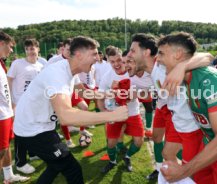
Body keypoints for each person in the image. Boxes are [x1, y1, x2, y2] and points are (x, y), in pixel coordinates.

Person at [13, 36, 128, 184]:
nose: (97, 57)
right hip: (32, 130)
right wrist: (112, 115)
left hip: (41, 126)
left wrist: (108, 93)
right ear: (79, 55)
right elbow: (66, 116)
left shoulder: (70, 70)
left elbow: (84, 92)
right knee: (72, 169)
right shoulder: (57, 74)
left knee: (55, 166)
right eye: (93, 54)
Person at [158, 32, 217, 184]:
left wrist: (182, 171)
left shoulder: (209, 81)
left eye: (162, 53)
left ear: (178, 54)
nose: (158, 58)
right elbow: (206, 57)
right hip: (210, 142)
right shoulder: (186, 77)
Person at [126, 33, 213, 180]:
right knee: (167, 154)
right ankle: (169, 176)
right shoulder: (154, 72)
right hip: (178, 121)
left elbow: (208, 56)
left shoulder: (164, 66)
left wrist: (182, 67)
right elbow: (161, 93)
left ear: (146, 52)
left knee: (193, 172)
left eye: (132, 51)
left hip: (191, 128)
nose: (128, 55)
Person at [97, 46, 144, 173]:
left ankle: (127, 157)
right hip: (114, 114)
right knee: (111, 143)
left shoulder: (133, 73)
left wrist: (132, 95)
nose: (116, 64)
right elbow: (99, 98)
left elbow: (144, 91)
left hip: (133, 112)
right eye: (112, 62)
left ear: (123, 59)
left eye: (119, 60)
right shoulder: (107, 77)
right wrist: (104, 112)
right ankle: (112, 161)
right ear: (108, 61)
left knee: (139, 141)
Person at [7, 38, 44, 175]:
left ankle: (33, 153)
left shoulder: (41, 65)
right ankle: (20, 162)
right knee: (20, 133)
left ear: (38, 49)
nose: (30, 51)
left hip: (34, 105)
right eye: (28, 49)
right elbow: (9, 81)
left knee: (33, 130)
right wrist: (11, 101)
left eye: (33, 48)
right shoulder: (18, 63)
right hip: (19, 105)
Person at [0, 31, 30, 183]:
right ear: (1, 43)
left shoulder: (1, 62)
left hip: (6, 112)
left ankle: (8, 175)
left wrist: (11, 105)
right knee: (2, 149)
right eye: (10, 46)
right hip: (0, 115)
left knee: (6, 146)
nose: (11, 50)